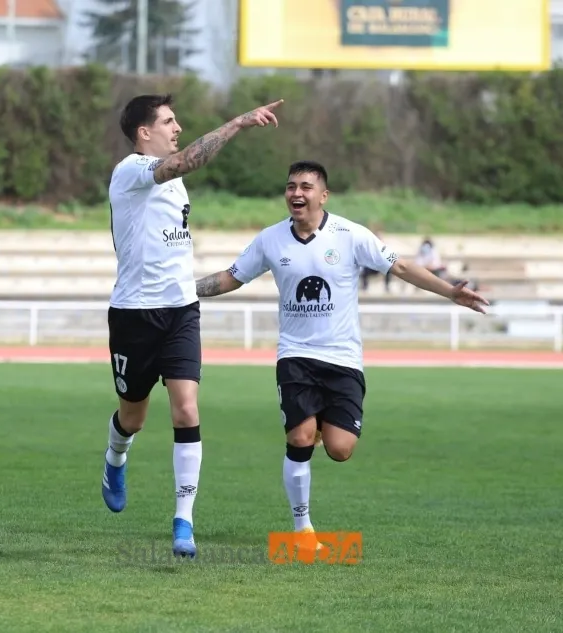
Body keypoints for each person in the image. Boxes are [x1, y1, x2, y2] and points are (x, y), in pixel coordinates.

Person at [193, 160, 488, 555]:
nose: (296, 193)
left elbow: (400, 266)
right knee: (299, 437)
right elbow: (232, 276)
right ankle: (302, 528)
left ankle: (317, 427)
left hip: (343, 357)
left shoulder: (350, 235)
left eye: (306, 187)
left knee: (340, 448)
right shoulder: (270, 240)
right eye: (291, 186)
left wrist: (449, 291)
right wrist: (185, 290)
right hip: (296, 355)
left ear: (323, 195)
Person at [101, 93, 284, 559]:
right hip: (134, 315)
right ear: (144, 132)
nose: (177, 127)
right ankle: (115, 456)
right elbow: (184, 161)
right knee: (133, 417)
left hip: (181, 312)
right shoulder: (130, 171)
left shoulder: (174, 184)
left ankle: (183, 521)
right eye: (168, 121)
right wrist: (238, 123)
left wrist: (194, 289)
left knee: (186, 410)